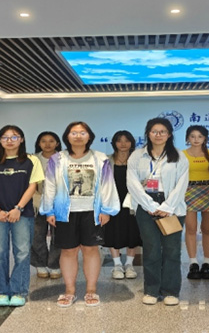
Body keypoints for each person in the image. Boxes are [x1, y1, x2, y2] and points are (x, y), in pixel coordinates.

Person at [40, 121, 119, 308]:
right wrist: (49, 210)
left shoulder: (100, 158)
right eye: (73, 133)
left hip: (92, 211)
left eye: (82, 132)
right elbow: (49, 185)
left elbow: (108, 185)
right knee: (68, 251)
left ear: (89, 136)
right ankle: (69, 291)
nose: (77, 136)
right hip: (65, 212)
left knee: (91, 250)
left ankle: (91, 290)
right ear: (67, 137)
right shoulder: (57, 159)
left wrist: (107, 210)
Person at [0, 125, 44, 307]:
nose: (9, 140)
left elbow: (32, 186)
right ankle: (1, 292)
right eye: (5, 137)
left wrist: (18, 208)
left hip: (22, 214)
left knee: (22, 253)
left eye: (14, 137)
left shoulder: (31, 160)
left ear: (21, 139)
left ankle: (18, 291)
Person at [127, 117, 189, 306]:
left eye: (163, 131)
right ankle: (152, 290)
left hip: (173, 207)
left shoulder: (179, 156)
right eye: (154, 131)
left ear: (169, 134)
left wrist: (167, 207)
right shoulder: (137, 156)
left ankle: (170, 291)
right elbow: (132, 183)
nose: (158, 135)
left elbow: (182, 184)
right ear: (148, 133)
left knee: (172, 250)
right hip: (145, 205)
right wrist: (150, 206)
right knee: (151, 249)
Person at [183, 125, 209, 280]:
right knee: (190, 228)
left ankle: (207, 262)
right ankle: (193, 263)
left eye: (200, 136)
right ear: (187, 138)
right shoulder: (181, 155)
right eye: (192, 136)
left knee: (207, 229)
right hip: (188, 192)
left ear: (205, 138)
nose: (196, 139)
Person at [103, 130, 142, 280]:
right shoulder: (107, 161)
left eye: (127, 140)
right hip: (112, 201)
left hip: (133, 202)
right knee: (113, 231)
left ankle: (129, 264)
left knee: (133, 232)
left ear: (132, 142)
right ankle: (117, 265)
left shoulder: (137, 160)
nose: (123, 144)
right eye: (119, 140)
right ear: (114, 143)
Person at [30, 131, 63, 279]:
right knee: (37, 234)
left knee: (58, 235)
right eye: (44, 141)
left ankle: (54, 265)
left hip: (58, 203)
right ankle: (40, 264)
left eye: (51, 141)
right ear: (39, 143)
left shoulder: (63, 158)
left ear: (57, 143)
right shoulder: (32, 159)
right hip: (37, 202)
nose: (47, 144)